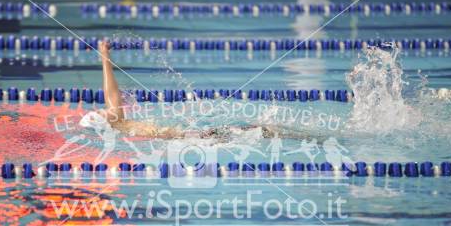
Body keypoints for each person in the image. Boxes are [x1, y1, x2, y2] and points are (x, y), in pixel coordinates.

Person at [84, 41, 321, 141]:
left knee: (261, 131)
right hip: (195, 138)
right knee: (262, 131)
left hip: (193, 135)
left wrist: (105, 57)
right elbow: (113, 98)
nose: (104, 109)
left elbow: (111, 96)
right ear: (105, 123)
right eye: (102, 113)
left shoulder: (120, 126)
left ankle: (308, 137)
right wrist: (105, 57)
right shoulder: (118, 124)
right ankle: (312, 138)